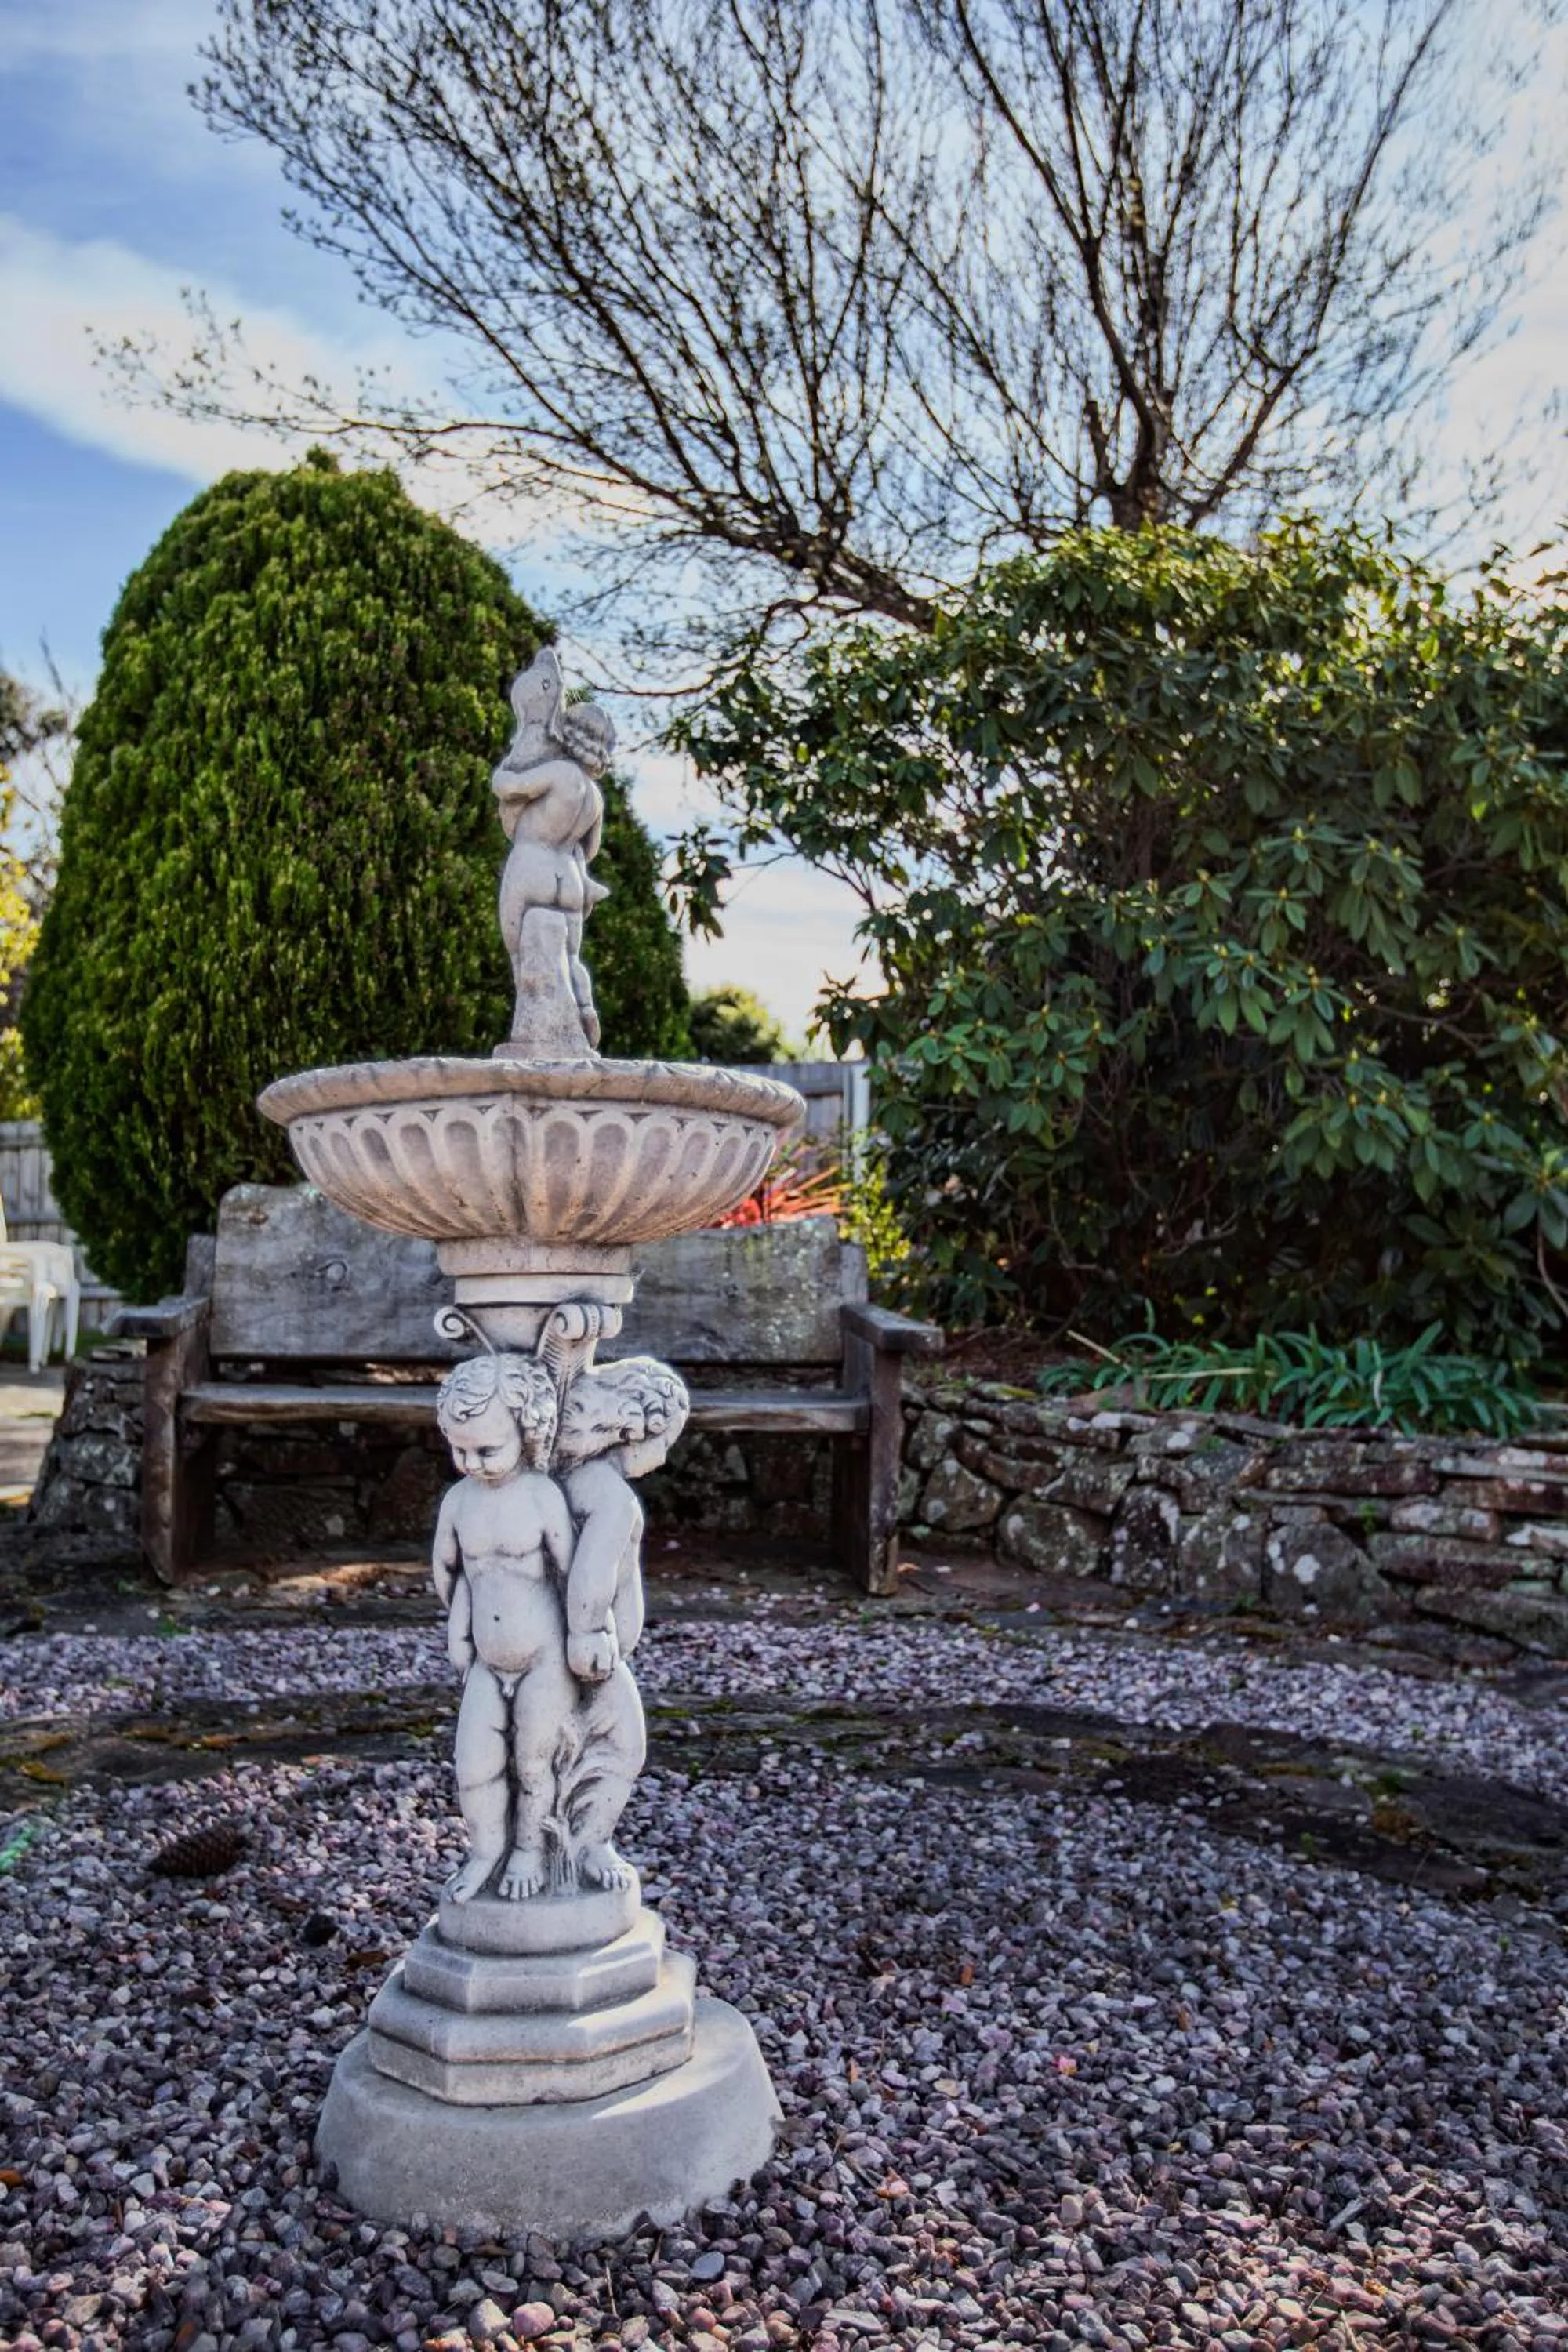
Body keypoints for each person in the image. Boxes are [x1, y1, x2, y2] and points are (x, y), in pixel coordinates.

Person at [432, 1352, 576, 1901]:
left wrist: (588, 1637)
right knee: (474, 1764)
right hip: (486, 1662)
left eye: (487, 1450)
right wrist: (460, 1629)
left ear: (527, 1432)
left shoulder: (541, 1495)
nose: (472, 1463)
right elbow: (451, 1571)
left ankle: (528, 1850)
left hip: (542, 1657)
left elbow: (571, 1573)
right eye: (460, 1450)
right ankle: (485, 1850)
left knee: (533, 1763)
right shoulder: (459, 1501)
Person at [549, 1357, 691, 1891]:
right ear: (635, 1432)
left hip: (586, 1650)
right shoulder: (611, 1496)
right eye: (665, 1442)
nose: (664, 1457)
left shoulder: (575, 1480)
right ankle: (590, 1841)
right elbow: (593, 1568)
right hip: (593, 1658)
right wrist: (588, 1633)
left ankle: (567, 1838)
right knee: (624, 1746)